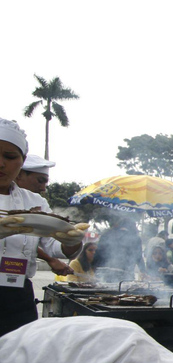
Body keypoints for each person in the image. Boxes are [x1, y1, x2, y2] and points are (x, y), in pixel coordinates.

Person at [0, 118, 85, 336]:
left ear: (21, 162)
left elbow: (54, 246)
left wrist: (71, 241)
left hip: (18, 293)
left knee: (18, 360)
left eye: (9, 157)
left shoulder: (33, 202)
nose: (1, 163)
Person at [14, 154, 75, 278]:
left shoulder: (39, 203)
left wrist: (72, 241)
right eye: (40, 181)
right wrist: (50, 259)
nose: (43, 188)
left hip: (21, 285)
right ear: (19, 175)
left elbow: (51, 243)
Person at [92, 216, 147, 282]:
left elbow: (98, 253)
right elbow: (138, 257)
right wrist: (143, 271)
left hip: (105, 274)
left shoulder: (106, 234)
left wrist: (92, 267)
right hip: (126, 275)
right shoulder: (135, 238)